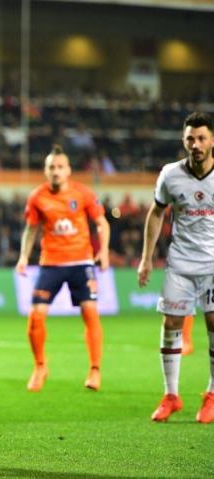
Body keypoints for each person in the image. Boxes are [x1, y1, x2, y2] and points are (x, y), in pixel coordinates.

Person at [138, 111, 214, 423]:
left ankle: (212, 395)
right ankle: (171, 395)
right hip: (181, 263)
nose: (196, 144)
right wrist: (146, 258)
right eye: (190, 139)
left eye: (201, 138)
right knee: (171, 324)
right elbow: (156, 213)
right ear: (183, 141)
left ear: (212, 140)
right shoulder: (170, 174)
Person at [15, 145, 110, 392]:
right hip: (51, 263)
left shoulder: (84, 193)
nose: (56, 171)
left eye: (60, 167)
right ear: (46, 170)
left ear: (68, 170)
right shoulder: (37, 197)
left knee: (90, 312)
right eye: (51, 167)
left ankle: (95, 369)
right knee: (36, 316)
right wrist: (23, 257)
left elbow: (101, 222)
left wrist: (104, 251)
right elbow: (31, 229)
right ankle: (40, 366)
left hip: (81, 262)